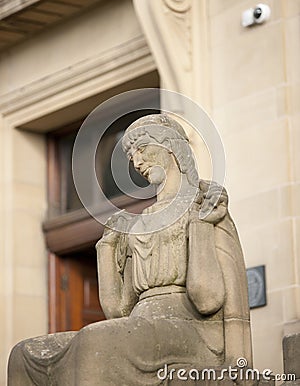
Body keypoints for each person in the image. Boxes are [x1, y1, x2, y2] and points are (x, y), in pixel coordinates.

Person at [8, 114, 252, 386]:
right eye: (132, 156)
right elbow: (118, 312)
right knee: (25, 355)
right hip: (140, 327)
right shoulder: (137, 224)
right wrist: (107, 246)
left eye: (142, 149)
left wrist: (201, 227)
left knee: (95, 343)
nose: (136, 163)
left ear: (171, 147)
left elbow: (208, 299)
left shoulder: (203, 206)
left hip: (192, 331)